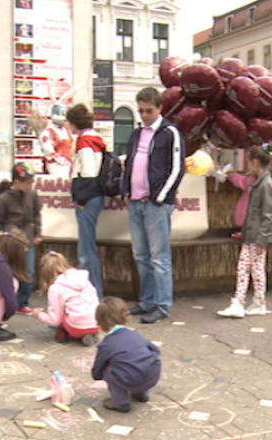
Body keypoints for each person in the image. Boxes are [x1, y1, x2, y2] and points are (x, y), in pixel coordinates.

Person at [122, 87, 185, 324]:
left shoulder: (170, 132)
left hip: (155, 204)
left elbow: (177, 168)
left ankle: (162, 305)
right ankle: (147, 301)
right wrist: (125, 191)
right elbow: (129, 164)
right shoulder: (136, 134)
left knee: (159, 258)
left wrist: (160, 197)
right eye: (141, 111)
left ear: (160, 108)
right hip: (136, 202)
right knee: (141, 256)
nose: (144, 115)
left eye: (149, 111)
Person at [217, 147, 272, 318]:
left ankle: (241, 302)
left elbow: (267, 215)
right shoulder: (261, 182)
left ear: (255, 162)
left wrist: (261, 240)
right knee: (254, 269)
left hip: (256, 235)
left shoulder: (265, 184)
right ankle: (257, 302)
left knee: (246, 268)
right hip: (253, 233)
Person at [92, 297, 162, 413]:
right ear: (125, 319)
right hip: (152, 376)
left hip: (130, 380)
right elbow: (156, 350)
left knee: (107, 370)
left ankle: (120, 402)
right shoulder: (134, 335)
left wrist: (97, 375)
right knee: (137, 364)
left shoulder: (107, 344)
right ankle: (141, 395)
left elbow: (99, 364)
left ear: (100, 324)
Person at [66, 104, 105, 298]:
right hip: (94, 196)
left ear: (74, 122)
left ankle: (93, 294)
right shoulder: (96, 139)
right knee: (87, 249)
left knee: (86, 250)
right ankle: (94, 292)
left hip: (87, 197)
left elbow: (88, 171)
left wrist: (81, 198)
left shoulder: (84, 141)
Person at [0, 163, 43, 314]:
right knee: (8, 272)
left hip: (28, 238)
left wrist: (38, 233)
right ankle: (6, 301)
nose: (31, 184)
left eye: (32, 181)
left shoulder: (32, 195)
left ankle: (22, 302)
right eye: (27, 182)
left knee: (28, 272)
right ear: (17, 182)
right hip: (10, 240)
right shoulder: (3, 199)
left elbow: (36, 214)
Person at [31, 251, 100, 345]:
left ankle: (63, 333)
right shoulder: (82, 278)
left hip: (75, 327)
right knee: (81, 305)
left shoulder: (56, 288)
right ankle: (89, 334)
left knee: (61, 311)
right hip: (97, 323)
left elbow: (55, 320)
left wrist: (39, 314)